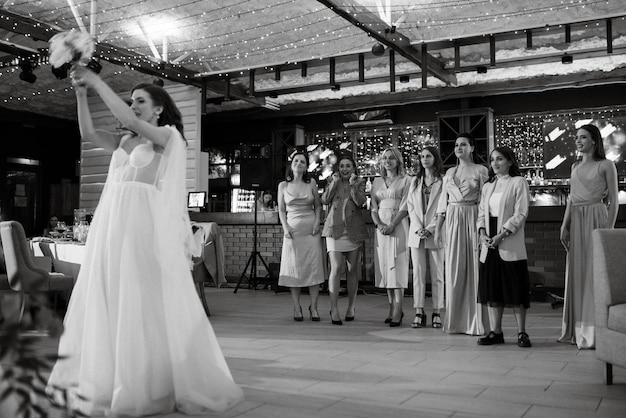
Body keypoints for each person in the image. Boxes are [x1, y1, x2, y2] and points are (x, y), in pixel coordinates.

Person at [47, 65, 243, 415]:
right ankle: (110, 376)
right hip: (112, 224)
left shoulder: (167, 137)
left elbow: (135, 123)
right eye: (131, 100)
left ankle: (148, 381)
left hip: (142, 226)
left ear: (158, 108)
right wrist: (80, 93)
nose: (133, 106)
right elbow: (88, 132)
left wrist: (96, 80)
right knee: (111, 293)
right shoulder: (124, 140)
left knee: (141, 296)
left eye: (140, 100)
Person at [558, 124, 619, 349]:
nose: (578, 140)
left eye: (583, 137)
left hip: (596, 216)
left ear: (594, 140)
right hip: (577, 219)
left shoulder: (606, 165)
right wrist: (564, 226)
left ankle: (595, 330)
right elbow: (572, 199)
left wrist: (608, 231)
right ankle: (578, 328)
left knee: (595, 273)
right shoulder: (574, 166)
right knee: (578, 270)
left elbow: (613, 200)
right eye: (576, 137)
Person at [477, 147, 532, 348]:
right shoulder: (488, 186)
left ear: (510, 161)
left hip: (508, 239)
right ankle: (496, 332)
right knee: (492, 289)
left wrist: (501, 235)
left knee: (515, 287)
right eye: (492, 160)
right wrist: (483, 234)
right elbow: (481, 213)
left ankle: (522, 333)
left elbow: (521, 213)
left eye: (500, 159)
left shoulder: (519, 182)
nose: (495, 163)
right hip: (489, 242)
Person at [436, 133, 489, 335]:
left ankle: (476, 321)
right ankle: (455, 321)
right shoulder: (449, 172)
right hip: (452, 218)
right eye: (456, 144)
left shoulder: (481, 170)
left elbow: (485, 200)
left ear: (472, 148)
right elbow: (443, 202)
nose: (459, 148)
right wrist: (438, 228)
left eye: (464, 144)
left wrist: (482, 226)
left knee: (474, 267)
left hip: (472, 216)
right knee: (454, 268)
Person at [277, 150, 326, 322]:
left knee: (313, 268)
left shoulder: (311, 182)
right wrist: (285, 227)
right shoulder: (283, 185)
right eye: (296, 161)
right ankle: (297, 307)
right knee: (294, 268)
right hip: (292, 232)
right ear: (291, 164)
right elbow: (281, 210)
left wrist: (317, 223)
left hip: (311, 231)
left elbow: (318, 206)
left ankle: (314, 307)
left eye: (302, 162)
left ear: (306, 167)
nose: (299, 164)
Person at [321, 153, 368, 325]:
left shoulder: (360, 182)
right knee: (336, 268)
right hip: (335, 229)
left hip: (353, 230)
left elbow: (360, 202)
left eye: (348, 166)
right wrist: (333, 182)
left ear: (354, 168)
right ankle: (334, 308)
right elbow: (325, 200)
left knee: (352, 270)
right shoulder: (332, 182)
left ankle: (351, 307)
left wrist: (354, 185)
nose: (345, 169)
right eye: (342, 166)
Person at [371, 148, 411, 327]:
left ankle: (398, 309)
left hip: (398, 225)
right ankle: (390, 307)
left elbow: (406, 206)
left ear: (398, 161)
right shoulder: (377, 181)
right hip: (381, 228)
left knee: (398, 266)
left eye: (391, 158)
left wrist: (392, 224)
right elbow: (373, 206)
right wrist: (379, 224)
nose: (388, 161)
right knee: (385, 268)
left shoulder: (406, 180)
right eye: (385, 158)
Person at [407, 147, 445, 329]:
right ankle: (419, 310)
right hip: (416, 233)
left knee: (437, 274)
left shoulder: (443, 181)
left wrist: (430, 228)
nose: (424, 159)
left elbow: (444, 208)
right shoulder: (415, 181)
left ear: (435, 158)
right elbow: (410, 206)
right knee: (418, 275)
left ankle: (437, 311)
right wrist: (418, 228)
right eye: (421, 156)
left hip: (435, 231)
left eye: (428, 156)